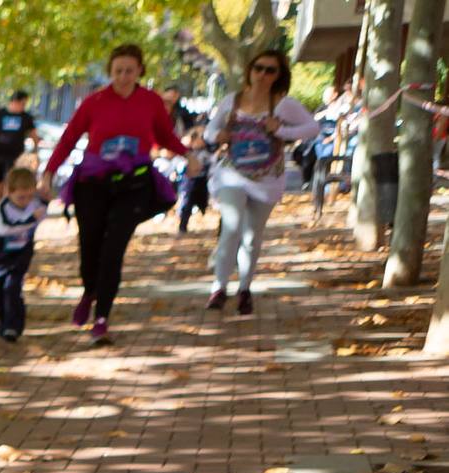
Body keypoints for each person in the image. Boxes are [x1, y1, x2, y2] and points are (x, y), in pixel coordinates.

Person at [39, 43, 189, 344]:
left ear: (139, 72)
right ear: (110, 71)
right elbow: (69, 138)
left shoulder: (150, 102)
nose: (123, 76)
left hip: (133, 184)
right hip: (93, 183)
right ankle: (89, 290)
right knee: (91, 246)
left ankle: (102, 316)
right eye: (118, 70)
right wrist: (48, 173)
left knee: (113, 249)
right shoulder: (94, 102)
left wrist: (187, 154)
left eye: (129, 71)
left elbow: (164, 135)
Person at [204, 49, 318, 315]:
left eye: (270, 70)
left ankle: (245, 289)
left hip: (267, 177)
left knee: (253, 237)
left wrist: (280, 130)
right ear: (250, 70)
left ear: (279, 76)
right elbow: (210, 131)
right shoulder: (232, 101)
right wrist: (218, 134)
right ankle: (218, 288)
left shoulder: (283, 104)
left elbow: (312, 128)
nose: (263, 74)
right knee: (231, 228)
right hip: (233, 173)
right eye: (259, 68)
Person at [0, 166, 50, 342]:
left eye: (29, 197)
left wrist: (44, 201)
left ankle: (13, 326)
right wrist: (32, 219)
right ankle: (4, 322)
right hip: (0, 254)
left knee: (12, 287)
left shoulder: (34, 205)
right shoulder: (2, 210)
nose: (25, 202)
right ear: (10, 192)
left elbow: (43, 210)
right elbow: (11, 227)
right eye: (21, 197)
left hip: (21, 253)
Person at [169, 91, 213, 234]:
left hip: (202, 178)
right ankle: (183, 223)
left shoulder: (208, 152)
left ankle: (199, 212)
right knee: (187, 199)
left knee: (201, 198)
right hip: (189, 178)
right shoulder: (186, 153)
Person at [0, 91, 38, 186]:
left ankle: (6, 199)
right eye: (22, 103)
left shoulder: (26, 117)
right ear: (15, 101)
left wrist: (35, 151)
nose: (24, 106)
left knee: (11, 181)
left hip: (16, 154)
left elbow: (33, 134)